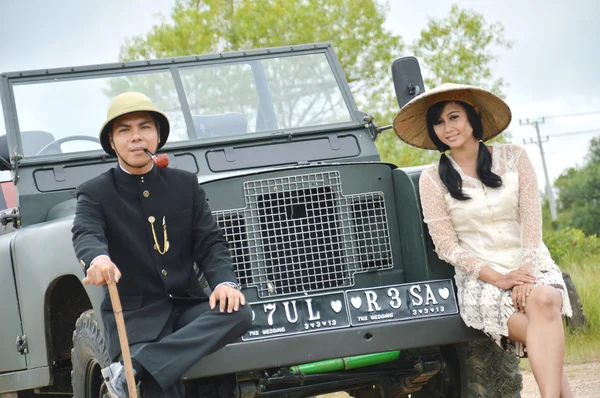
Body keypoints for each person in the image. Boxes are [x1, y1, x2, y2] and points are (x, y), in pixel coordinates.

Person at [393, 83, 573, 397]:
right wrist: (502, 279)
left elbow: (532, 220)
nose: (447, 128)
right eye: (439, 122)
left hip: (533, 267)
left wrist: (525, 276)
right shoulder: (432, 179)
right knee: (545, 329)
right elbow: (447, 246)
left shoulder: (515, 156)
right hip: (482, 280)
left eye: (454, 117)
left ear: (473, 118)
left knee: (544, 300)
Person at [71, 92, 252, 397]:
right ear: (112, 142)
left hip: (186, 307)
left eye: (145, 127)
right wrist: (97, 259)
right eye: (124, 130)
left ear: (158, 136)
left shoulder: (185, 184)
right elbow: (86, 233)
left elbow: (210, 242)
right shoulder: (94, 192)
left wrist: (224, 283)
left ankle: (137, 367)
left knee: (239, 313)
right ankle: (144, 370)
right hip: (134, 317)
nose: (136, 137)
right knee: (159, 385)